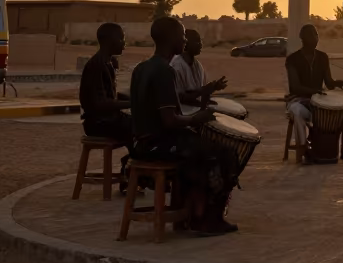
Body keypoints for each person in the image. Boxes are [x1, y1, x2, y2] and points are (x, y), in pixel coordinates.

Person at [129, 16, 239, 235]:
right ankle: (207, 219)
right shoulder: (164, 70)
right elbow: (170, 121)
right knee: (224, 154)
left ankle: (187, 216)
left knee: (201, 147)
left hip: (142, 143)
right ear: (170, 38)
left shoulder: (141, 68)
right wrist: (196, 119)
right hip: (159, 146)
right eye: (182, 35)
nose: (185, 40)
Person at [284, 24, 339, 164]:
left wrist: (340, 83)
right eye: (312, 35)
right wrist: (315, 91)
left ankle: (324, 148)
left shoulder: (323, 57)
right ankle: (303, 149)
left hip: (316, 103)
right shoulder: (292, 59)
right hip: (297, 100)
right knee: (297, 112)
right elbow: (295, 87)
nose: (316, 38)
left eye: (316, 35)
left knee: (331, 114)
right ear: (303, 38)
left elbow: (329, 83)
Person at [78, 22, 133, 150]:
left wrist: (131, 98)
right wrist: (132, 103)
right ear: (109, 40)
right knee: (140, 127)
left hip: (107, 119)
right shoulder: (97, 65)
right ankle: (135, 163)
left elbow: (109, 95)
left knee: (143, 124)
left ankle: (135, 163)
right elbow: (100, 103)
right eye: (121, 39)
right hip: (98, 123)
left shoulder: (107, 62)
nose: (124, 43)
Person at [170, 29, 228, 106]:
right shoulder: (176, 66)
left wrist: (213, 88)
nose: (201, 44)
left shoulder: (197, 65)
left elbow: (201, 94)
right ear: (186, 43)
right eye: (197, 41)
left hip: (194, 110)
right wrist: (204, 90)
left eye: (201, 41)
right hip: (182, 113)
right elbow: (179, 98)